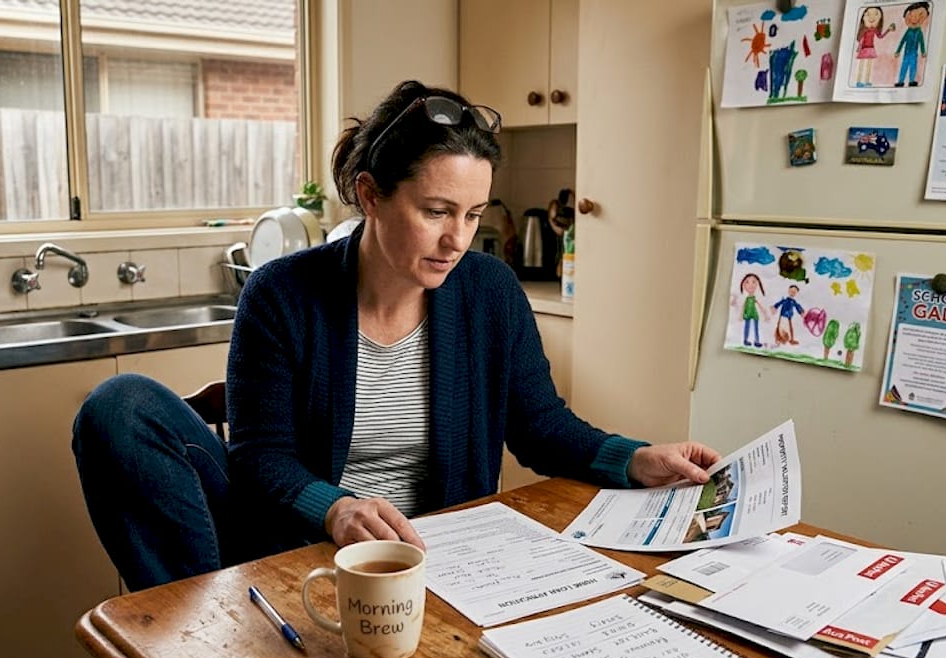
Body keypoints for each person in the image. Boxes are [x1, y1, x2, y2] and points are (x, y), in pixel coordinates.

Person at [72, 79, 722, 591]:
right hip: (291, 543)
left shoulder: (490, 292)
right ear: (371, 195)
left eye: (472, 214)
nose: (457, 239)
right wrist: (334, 508)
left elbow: (541, 426)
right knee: (119, 406)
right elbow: (259, 456)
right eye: (436, 211)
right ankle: (198, 636)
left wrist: (635, 459)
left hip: (430, 557)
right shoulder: (281, 293)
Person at [852, 6, 895, 88]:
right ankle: (858, 81)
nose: (872, 17)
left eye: (876, 14)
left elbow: (880, 36)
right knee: (861, 65)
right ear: (863, 18)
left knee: (869, 66)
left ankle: (867, 81)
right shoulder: (864, 30)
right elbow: (858, 39)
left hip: (871, 48)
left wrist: (888, 30)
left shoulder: (875, 30)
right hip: (864, 49)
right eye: (868, 14)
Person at [893, 2, 929, 87]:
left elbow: (922, 42)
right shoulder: (908, 31)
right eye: (911, 16)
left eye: (918, 16)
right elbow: (902, 41)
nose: (914, 19)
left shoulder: (919, 32)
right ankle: (901, 81)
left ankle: (912, 80)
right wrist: (898, 51)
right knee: (904, 66)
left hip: (914, 54)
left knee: (913, 66)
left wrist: (923, 51)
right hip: (906, 53)